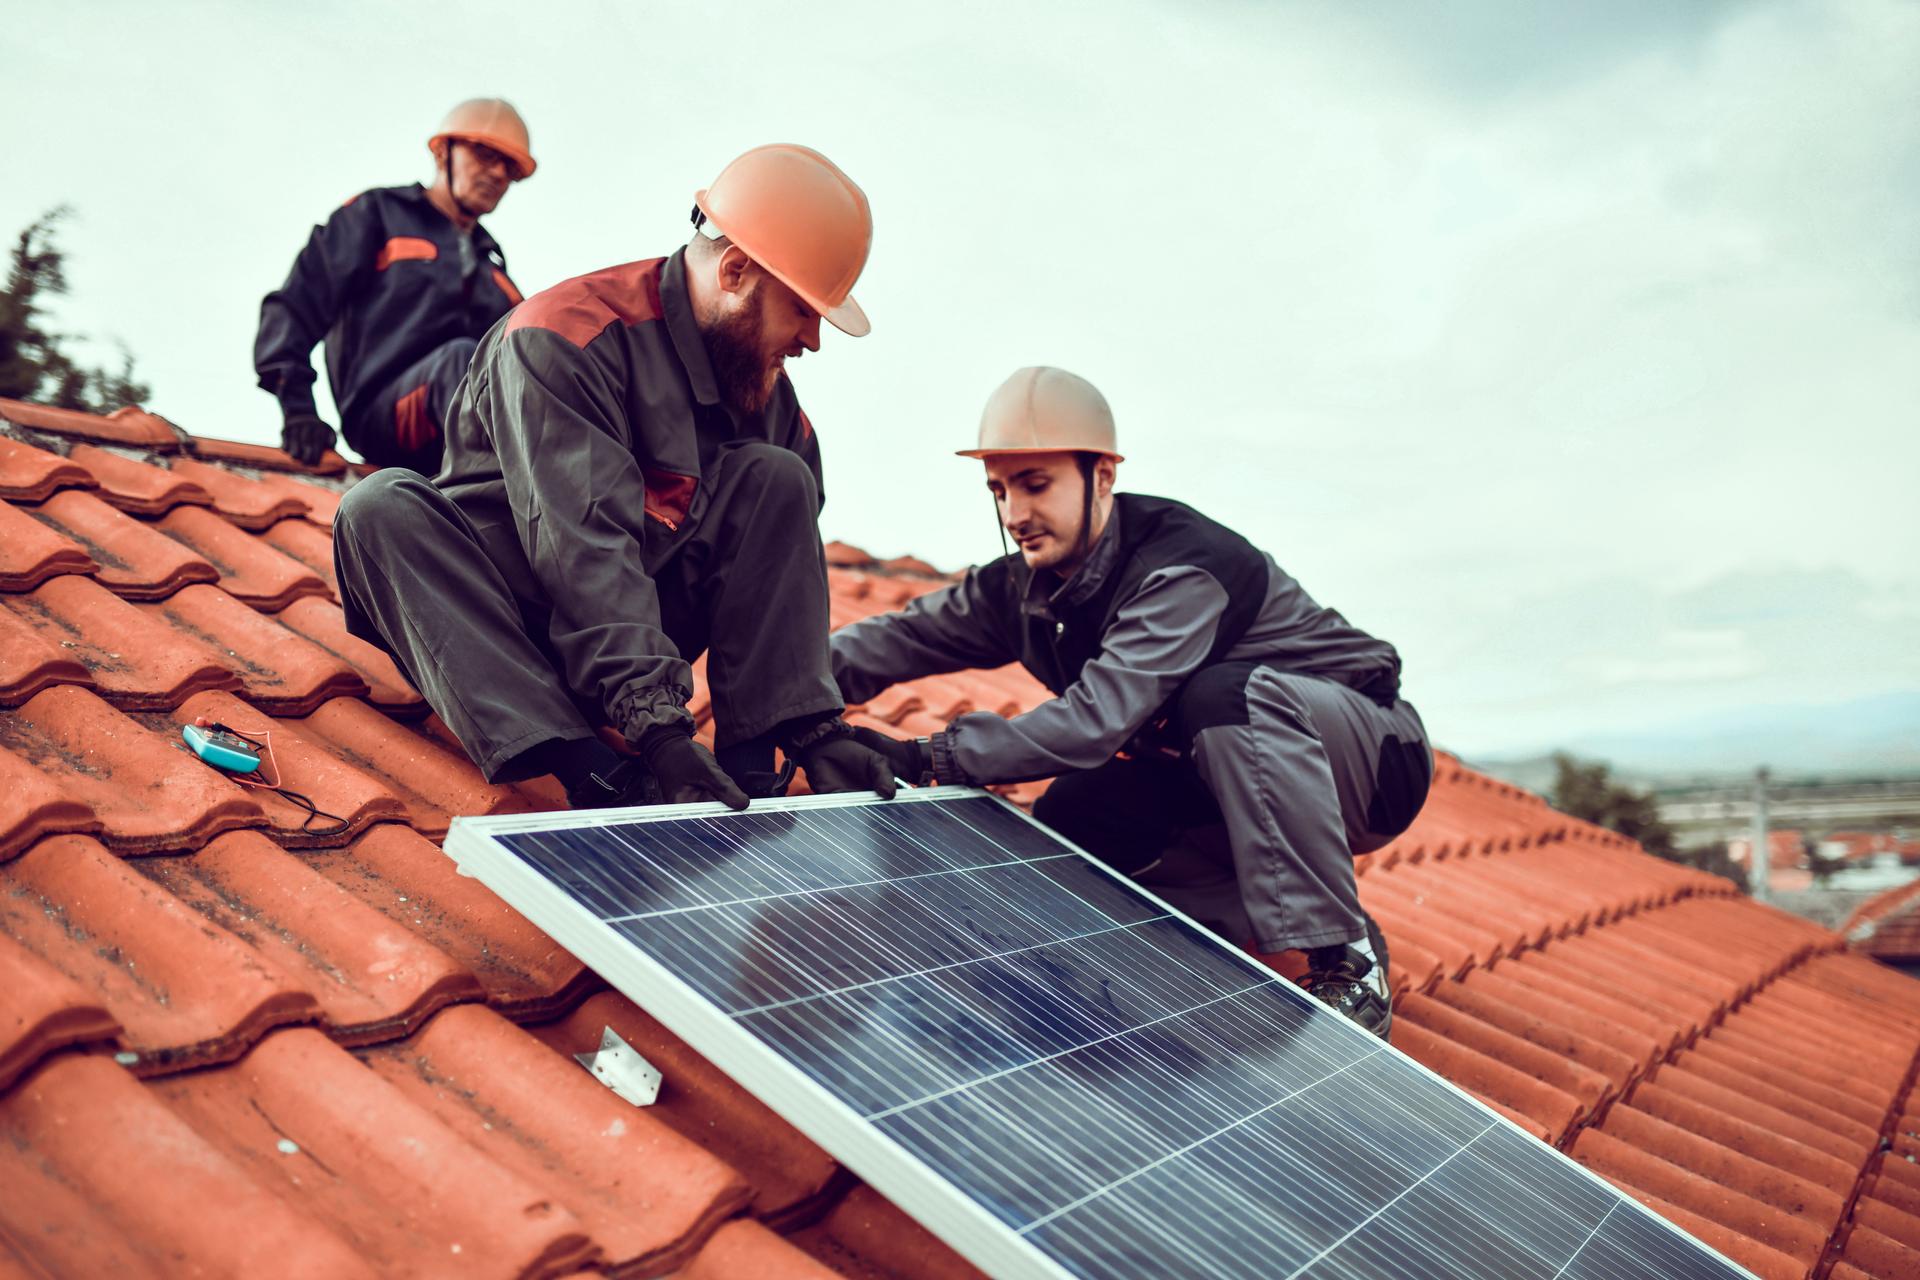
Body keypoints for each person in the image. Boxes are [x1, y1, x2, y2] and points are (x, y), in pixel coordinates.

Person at [831, 367, 1433, 1036]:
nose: (1015, 515)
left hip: (1372, 763)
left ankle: (1344, 954)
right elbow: (906, 635)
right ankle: (1247, 901)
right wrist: (790, 697)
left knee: (1224, 695)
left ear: (1103, 476)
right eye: (999, 490)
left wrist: (927, 756)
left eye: (1036, 485)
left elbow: (1094, 721)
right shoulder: (1024, 587)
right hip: (1227, 782)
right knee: (1076, 813)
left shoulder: (1182, 568)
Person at [332, 144, 897, 812]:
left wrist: (813, 730)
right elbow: (583, 547)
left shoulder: (772, 404)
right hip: (505, 642)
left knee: (777, 479)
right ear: (737, 270)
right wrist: (655, 734)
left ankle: (749, 768)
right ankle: (590, 767)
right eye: (803, 309)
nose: (813, 340)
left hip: (634, 648)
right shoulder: (561, 337)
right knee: (377, 508)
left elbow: (779, 579)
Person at [255, 98, 534, 471]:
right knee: (465, 361)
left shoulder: (498, 277)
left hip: (467, 426)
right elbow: (296, 304)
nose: (499, 174)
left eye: (511, 169)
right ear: (442, 153)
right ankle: (512, 498)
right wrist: (298, 409)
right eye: (484, 155)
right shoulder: (378, 216)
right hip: (384, 417)